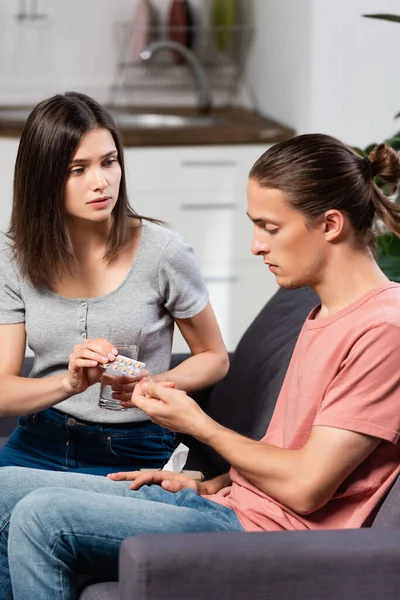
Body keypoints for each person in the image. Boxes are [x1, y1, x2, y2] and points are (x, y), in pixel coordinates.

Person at [1, 133, 400, 600]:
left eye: (269, 228)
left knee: (42, 516)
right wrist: (202, 484)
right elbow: (287, 455)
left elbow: (307, 487)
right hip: (231, 506)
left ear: (330, 225)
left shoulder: (383, 329)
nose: (256, 246)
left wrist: (199, 425)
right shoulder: (323, 313)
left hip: (264, 538)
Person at [0, 91, 229, 475]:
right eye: (78, 170)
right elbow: (4, 391)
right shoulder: (14, 257)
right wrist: (69, 384)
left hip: (136, 445)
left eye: (109, 162)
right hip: (41, 436)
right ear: (44, 179)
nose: (101, 182)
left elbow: (214, 357)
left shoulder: (163, 251)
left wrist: (151, 383)